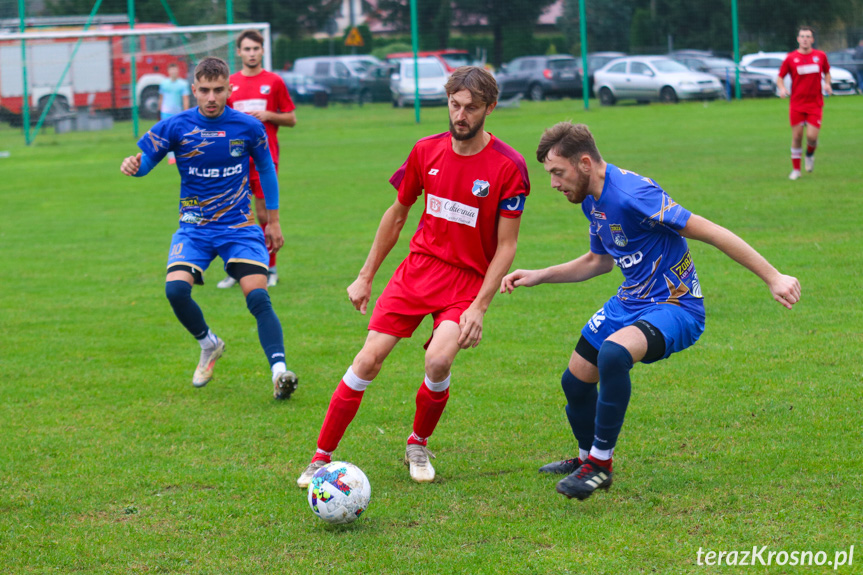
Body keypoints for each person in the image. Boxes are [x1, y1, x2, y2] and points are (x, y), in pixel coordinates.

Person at [500, 122, 801, 501]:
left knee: (613, 353)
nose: (554, 183)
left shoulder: (633, 194)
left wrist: (773, 277)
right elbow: (598, 261)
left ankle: (600, 466)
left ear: (586, 162)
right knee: (575, 382)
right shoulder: (592, 200)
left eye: (558, 172)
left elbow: (710, 230)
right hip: (630, 301)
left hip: (676, 306)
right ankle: (583, 459)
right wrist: (540, 275)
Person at [295, 66, 530, 488]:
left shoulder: (509, 167)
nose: (460, 116)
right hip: (418, 272)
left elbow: (507, 245)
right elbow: (397, 214)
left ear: (490, 109)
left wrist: (480, 306)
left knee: (439, 359)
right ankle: (320, 457)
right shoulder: (425, 151)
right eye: (454, 105)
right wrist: (365, 276)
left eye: (471, 108)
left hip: (466, 281)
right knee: (368, 359)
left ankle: (417, 442)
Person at [119, 57, 299, 400]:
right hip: (194, 228)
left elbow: (267, 171)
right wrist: (133, 165)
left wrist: (273, 220)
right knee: (175, 291)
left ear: (229, 89)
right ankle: (209, 343)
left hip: (239, 227)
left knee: (258, 295)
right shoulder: (176, 126)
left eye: (219, 90)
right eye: (205, 90)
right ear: (194, 90)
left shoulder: (248, 127)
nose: (212, 97)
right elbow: (144, 163)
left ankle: (279, 372)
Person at [217, 29, 296, 289]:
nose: (251, 53)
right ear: (239, 52)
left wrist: (268, 115)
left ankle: (270, 267)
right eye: (246, 49)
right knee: (233, 214)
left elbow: (291, 118)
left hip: (265, 159)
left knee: (264, 214)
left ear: (262, 51)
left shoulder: (274, 82)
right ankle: (235, 269)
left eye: (256, 49)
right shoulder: (230, 84)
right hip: (236, 160)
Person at [777, 26, 831, 181]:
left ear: (812, 40)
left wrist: (827, 84)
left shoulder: (820, 56)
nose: (805, 39)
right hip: (797, 104)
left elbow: (827, 72)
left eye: (808, 36)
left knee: (812, 137)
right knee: (797, 136)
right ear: (798, 39)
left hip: (815, 103)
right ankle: (796, 170)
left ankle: (809, 154)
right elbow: (780, 77)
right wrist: (782, 89)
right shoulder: (790, 58)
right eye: (802, 36)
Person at [158, 62, 190, 164]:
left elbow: (185, 98)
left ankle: (180, 154)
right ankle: (171, 157)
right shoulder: (164, 83)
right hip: (166, 113)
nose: (173, 72)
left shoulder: (183, 84)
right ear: (168, 71)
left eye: (175, 69)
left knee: (179, 135)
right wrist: (159, 110)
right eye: (171, 70)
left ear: (178, 71)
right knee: (167, 135)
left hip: (178, 113)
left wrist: (185, 112)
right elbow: (161, 97)